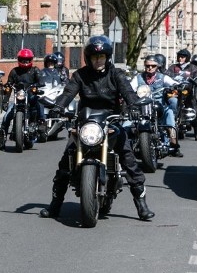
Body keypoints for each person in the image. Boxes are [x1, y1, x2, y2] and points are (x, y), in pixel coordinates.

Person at [40, 36, 154, 221]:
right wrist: (58, 106)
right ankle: (54, 206)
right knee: (65, 163)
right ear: (88, 58)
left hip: (111, 121)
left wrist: (134, 106)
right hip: (87, 124)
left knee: (129, 160)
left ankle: (141, 206)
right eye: (94, 57)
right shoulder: (80, 75)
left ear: (107, 57)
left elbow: (128, 92)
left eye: (101, 56)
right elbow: (69, 92)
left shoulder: (116, 74)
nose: (98, 60)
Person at [130, 54, 182, 157]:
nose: (150, 68)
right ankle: (125, 146)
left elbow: (173, 83)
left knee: (170, 114)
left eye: (153, 66)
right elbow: (130, 87)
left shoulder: (162, 77)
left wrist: (176, 86)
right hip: (142, 107)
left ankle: (173, 142)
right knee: (126, 123)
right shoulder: (138, 78)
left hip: (159, 107)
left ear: (157, 67)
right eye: (148, 65)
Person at [1, 48, 43, 136]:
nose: (25, 62)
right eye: (23, 60)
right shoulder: (14, 71)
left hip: (31, 97)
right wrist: (5, 101)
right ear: (19, 60)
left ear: (31, 60)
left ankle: (41, 123)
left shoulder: (35, 70)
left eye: (27, 60)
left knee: (39, 103)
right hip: (19, 98)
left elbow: (40, 81)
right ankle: (2, 137)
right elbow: (9, 85)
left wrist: (37, 85)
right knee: (6, 117)